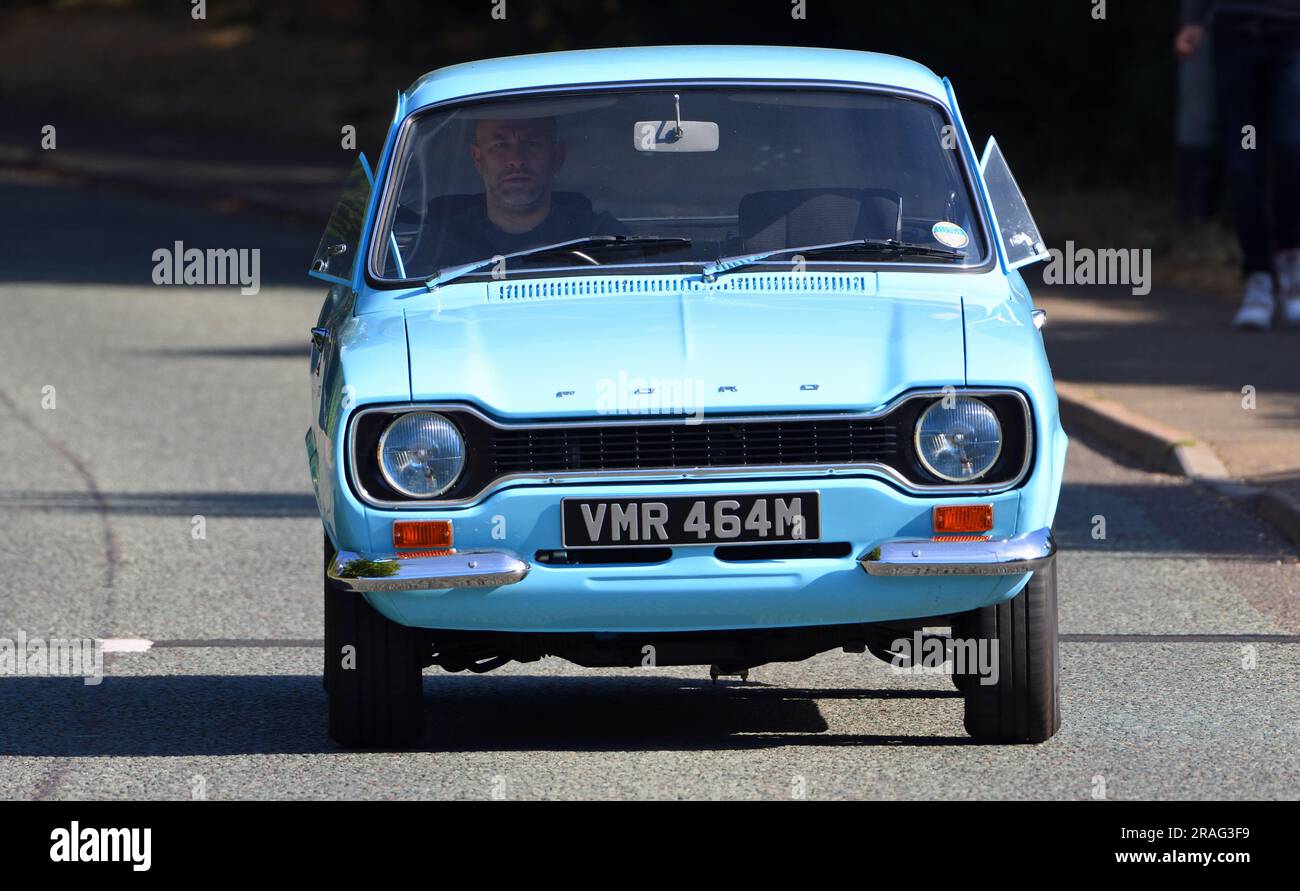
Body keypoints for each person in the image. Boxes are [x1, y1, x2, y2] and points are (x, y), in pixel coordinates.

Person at [1176, 0, 1300, 330]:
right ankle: (1258, 276)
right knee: (1245, 161)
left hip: (1292, 31)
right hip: (1235, 30)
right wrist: (1194, 18)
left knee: (1292, 148)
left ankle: (1290, 262)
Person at [415, 116, 625, 271]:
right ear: (477, 158)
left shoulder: (600, 238)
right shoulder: (438, 245)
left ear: (557, 156)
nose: (516, 159)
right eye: (500, 145)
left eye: (531, 144)